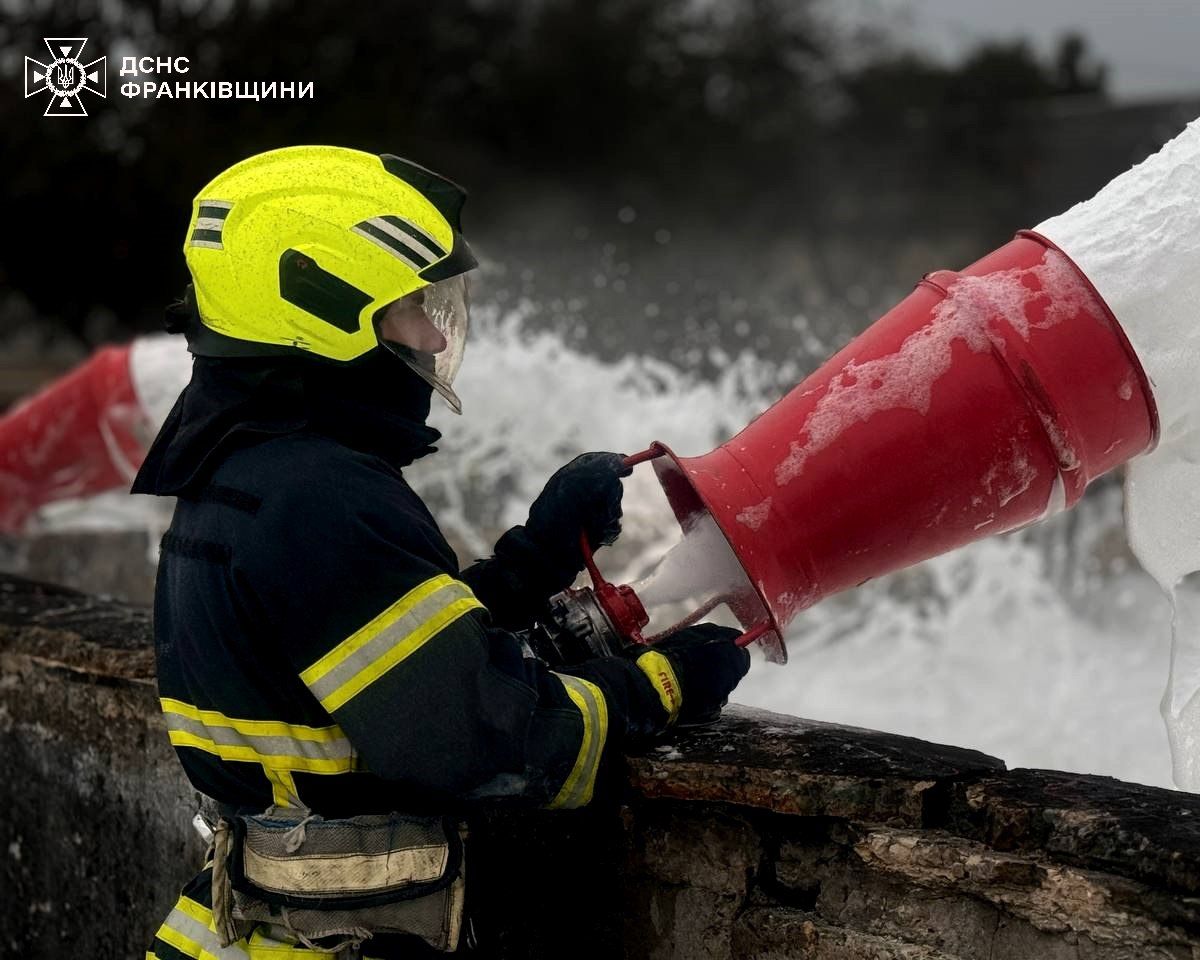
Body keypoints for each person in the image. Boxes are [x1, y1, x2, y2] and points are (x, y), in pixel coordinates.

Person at [131, 145, 750, 958]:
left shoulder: (249, 471)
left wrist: (534, 562)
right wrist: (658, 687)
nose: (431, 334)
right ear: (323, 313)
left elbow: (380, 661)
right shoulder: (320, 498)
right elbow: (476, 742)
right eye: (409, 306)